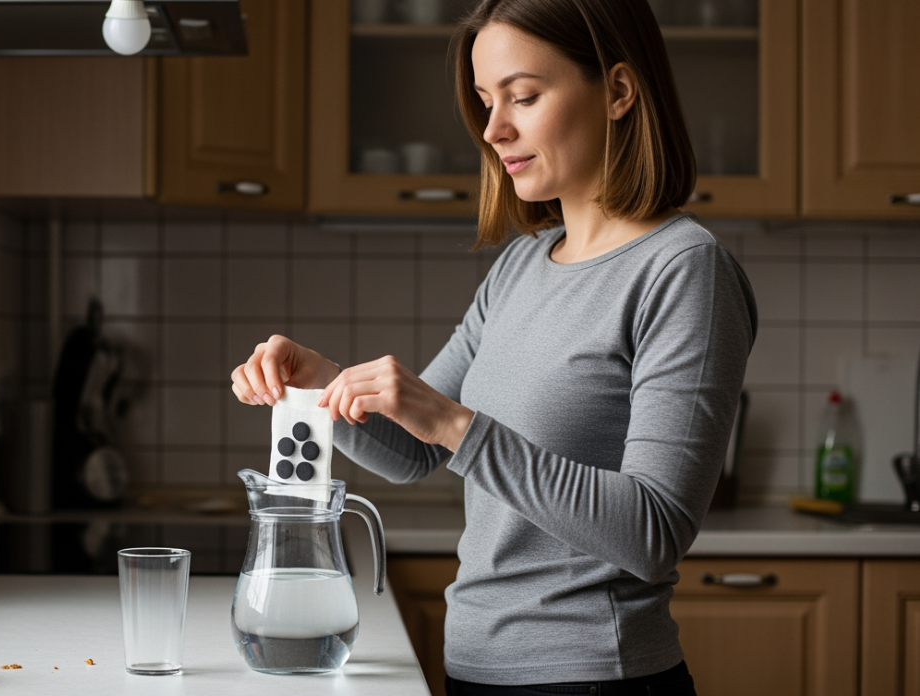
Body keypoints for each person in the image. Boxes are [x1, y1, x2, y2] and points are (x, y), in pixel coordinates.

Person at [229, 0, 757, 694]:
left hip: (593, 678)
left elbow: (654, 532)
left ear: (620, 92)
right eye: (484, 101)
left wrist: (455, 423)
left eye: (524, 96)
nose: (494, 128)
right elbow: (418, 450)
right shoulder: (523, 264)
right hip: (474, 669)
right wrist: (322, 383)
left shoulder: (684, 269)